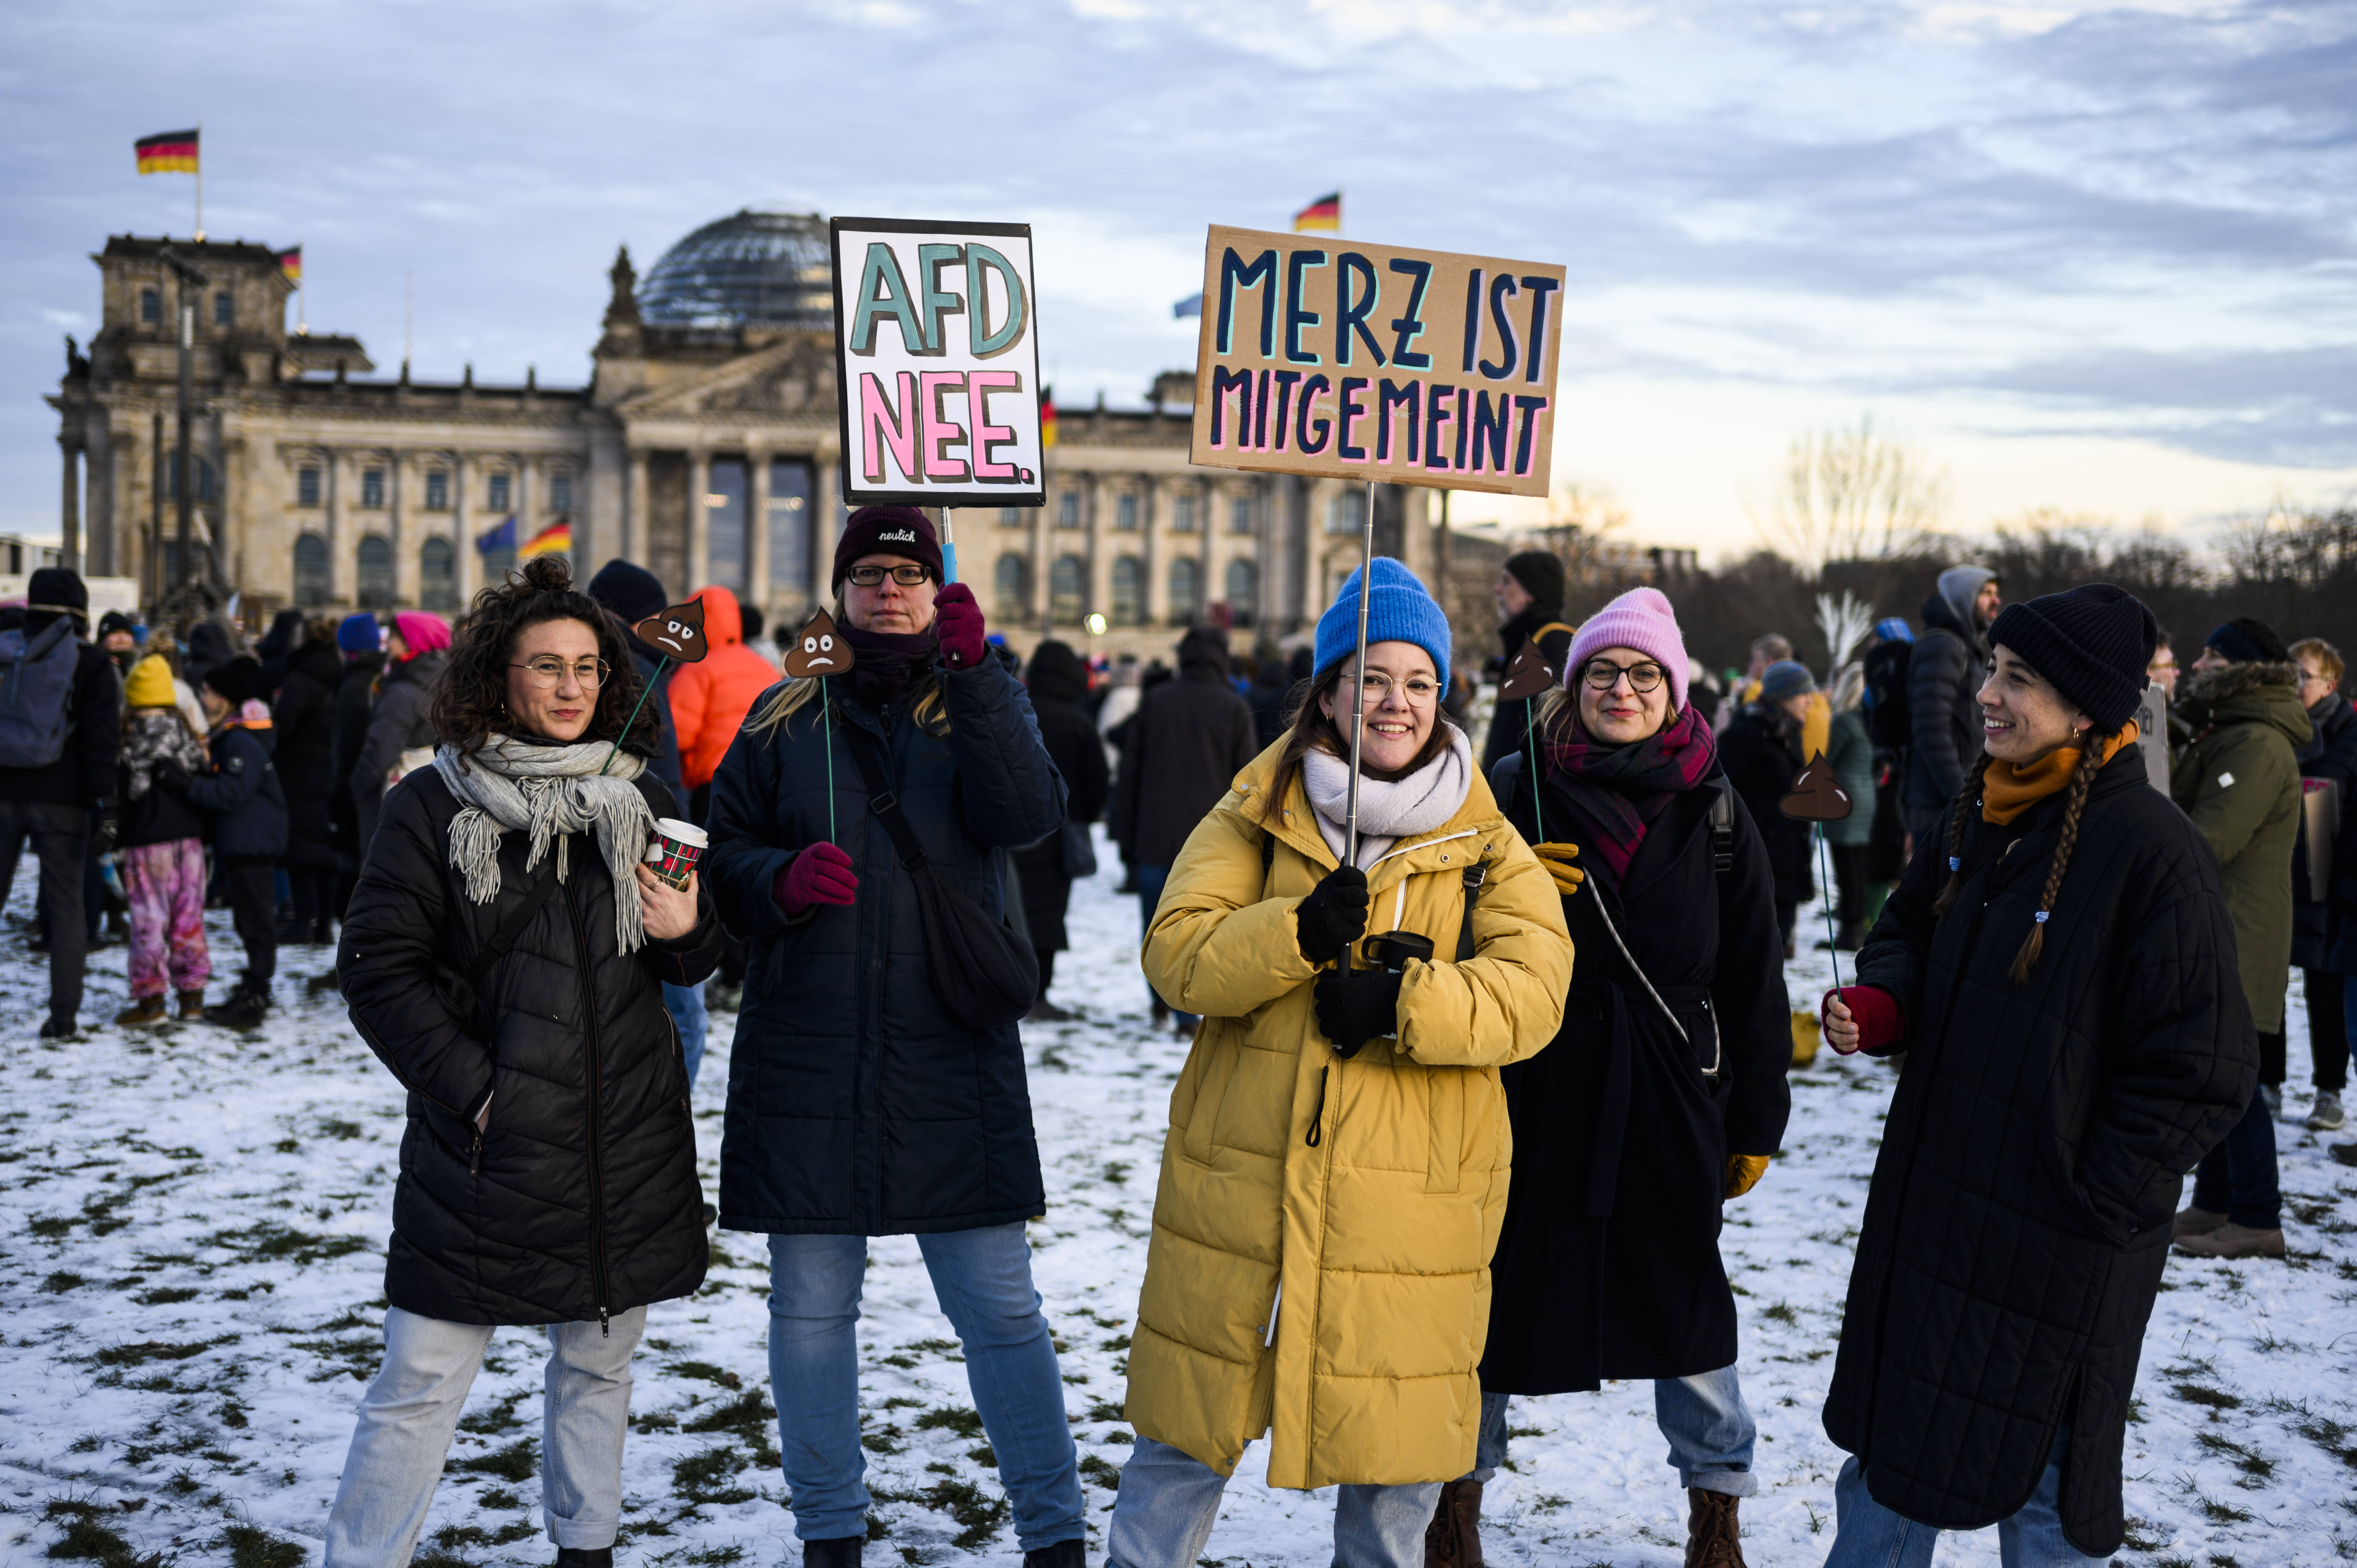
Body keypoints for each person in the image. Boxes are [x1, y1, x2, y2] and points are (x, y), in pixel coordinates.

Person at [1111, 556, 1572, 1568]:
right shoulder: (1258, 807)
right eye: (1369, 679)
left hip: (1410, 1212)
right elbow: (1176, 952)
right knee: (1176, 1460)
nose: (1395, 703)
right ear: (1327, 693)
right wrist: (1296, 935)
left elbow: (1536, 992)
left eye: (1417, 682)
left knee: (1390, 1492)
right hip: (1242, 1196)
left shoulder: (1486, 840)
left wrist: (1409, 1003)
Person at [1819, 583, 2254, 1566]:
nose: (1988, 694)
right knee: (1891, 1463)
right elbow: (1906, 933)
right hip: (1936, 1220)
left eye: (2019, 679)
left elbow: (2203, 1066)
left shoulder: (2154, 852)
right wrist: (1882, 1004)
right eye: (1991, 669)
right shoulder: (1980, 808)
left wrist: (2091, 1196)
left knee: (2046, 1491)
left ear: (2088, 706)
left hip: (2059, 1255)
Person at [701, 506, 1083, 1568]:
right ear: (841, 591)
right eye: (867, 573)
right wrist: (771, 879)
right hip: (810, 1051)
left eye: (908, 573)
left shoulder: (973, 702)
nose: (888, 589)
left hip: (947, 1050)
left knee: (1003, 1312)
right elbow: (722, 847)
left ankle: (1054, 1534)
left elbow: (1028, 816)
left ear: (938, 588)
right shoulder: (784, 712)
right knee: (812, 1313)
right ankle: (830, 1528)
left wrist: (982, 678)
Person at [326, 556, 721, 1567]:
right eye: (546, 666)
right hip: (484, 1150)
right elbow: (379, 972)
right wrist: (478, 1091)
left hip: (616, 1143)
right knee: (419, 1384)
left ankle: (586, 1550)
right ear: (495, 678)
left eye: (589, 667)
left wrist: (687, 928)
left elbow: (691, 957)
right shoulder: (433, 804)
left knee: (597, 1373)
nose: (571, 687)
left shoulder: (640, 795)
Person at [1470, 586, 1789, 1568]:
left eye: (1643, 671)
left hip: (1670, 1092)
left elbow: (1753, 974)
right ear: (1573, 686)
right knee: (1490, 1298)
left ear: (1674, 686)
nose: (1621, 687)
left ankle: (1716, 1507)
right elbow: (1445, 910)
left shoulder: (1718, 802)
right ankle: (1452, 1497)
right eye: (1602, 671)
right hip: (1537, 1084)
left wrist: (1756, 1119)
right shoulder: (1517, 782)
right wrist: (1497, 877)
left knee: (1686, 1304)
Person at [2170, 618, 2308, 1259]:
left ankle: (2257, 1215)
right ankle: (2215, 1200)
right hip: (2226, 923)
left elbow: (2210, 839)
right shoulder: (2229, 733)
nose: (2197, 664)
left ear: (2240, 670)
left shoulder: (2253, 743)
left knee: (2234, 1077)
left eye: (2210, 653)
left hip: (2237, 929)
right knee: (2218, 1067)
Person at [585, 559, 708, 1073]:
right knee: (684, 1016)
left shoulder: (626, 664)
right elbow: (651, 781)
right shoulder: (632, 671)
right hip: (647, 864)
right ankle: (669, 1110)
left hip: (630, 859)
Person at [1110, 625, 1259, 1032]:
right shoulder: (1232, 705)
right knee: (1204, 923)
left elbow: (1131, 772)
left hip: (1155, 831)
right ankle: (1186, 1008)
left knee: (1155, 924)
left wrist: (1125, 834)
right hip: (1213, 842)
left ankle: (1161, 1002)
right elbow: (1249, 780)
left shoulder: (1157, 700)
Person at [0, 568, 122, 1036]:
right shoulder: (91, 664)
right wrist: (106, 804)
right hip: (63, 802)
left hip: (4, 794)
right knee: (67, 904)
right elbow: (100, 742)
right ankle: (63, 1016)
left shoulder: (9, 650)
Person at [164, 656, 289, 1028]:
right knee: (249, 920)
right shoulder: (233, 736)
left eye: (209, 692)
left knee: (256, 921)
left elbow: (229, 794)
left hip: (250, 843)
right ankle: (254, 984)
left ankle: (256, 993)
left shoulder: (239, 741)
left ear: (225, 698)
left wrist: (182, 783)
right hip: (243, 841)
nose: (204, 697)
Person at [1012, 638, 1111, 1021]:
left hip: (1013, 828)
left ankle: (1012, 987)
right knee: (1050, 912)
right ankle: (1039, 993)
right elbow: (1097, 779)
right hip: (1061, 831)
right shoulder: (1078, 721)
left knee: (1012, 908)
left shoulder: (1017, 713)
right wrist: (1082, 815)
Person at [113, 652, 212, 1026]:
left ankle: (152, 1000)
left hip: (146, 841)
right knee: (189, 916)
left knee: (149, 919)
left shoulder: (128, 737)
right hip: (189, 839)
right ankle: (192, 997)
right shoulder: (185, 734)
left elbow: (119, 794)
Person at [2290, 637, 2355, 1132]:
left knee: (2325, 987)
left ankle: (2329, 1091)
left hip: (2333, 883)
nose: (2294, 683)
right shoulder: (2283, 730)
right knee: (2269, 980)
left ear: (2330, 684)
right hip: (2282, 872)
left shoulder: (2350, 733)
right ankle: (2268, 1084)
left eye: (2303, 675)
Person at [1719, 659, 1816, 959]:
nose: (1811, 703)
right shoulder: (1745, 735)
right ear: (1782, 697)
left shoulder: (1788, 735)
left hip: (1788, 862)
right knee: (1752, 958)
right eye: (1804, 695)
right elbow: (1718, 795)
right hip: (1756, 865)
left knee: (1774, 955)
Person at [1901, 564, 2000, 847]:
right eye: (1986, 593)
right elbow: (1931, 728)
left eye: (1996, 593)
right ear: (1963, 598)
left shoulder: (1962, 647)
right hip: (1939, 805)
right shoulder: (1943, 647)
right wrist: (1962, 795)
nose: (1996, 601)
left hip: (1950, 800)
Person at [670, 584, 782, 821]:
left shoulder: (697, 669)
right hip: (763, 784)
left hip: (713, 783)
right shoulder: (765, 668)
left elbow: (677, 734)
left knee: (708, 853)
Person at [351, 611, 451, 855]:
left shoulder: (403, 691)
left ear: (414, 641)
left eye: (395, 636)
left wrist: (356, 787)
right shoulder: (447, 683)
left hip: (392, 806)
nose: (388, 642)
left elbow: (380, 752)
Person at [273, 615, 345, 944]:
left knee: (301, 850)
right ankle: (324, 926)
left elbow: (283, 726)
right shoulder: (341, 672)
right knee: (327, 851)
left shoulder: (300, 677)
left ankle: (304, 920)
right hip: (330, 768)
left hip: (300, 771)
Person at [325, 613, 387, 967]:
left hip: (354, 795)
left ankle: (355, 959)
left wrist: (339, 798)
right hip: (366, 792)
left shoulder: (354, 687)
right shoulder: (377, 678)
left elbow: (347, 752)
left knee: (352, 875)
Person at [1481, 550, 1575, 770]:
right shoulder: (1532, 641)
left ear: (1532, 593)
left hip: (1524, 796)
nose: (1498, 589)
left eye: (1507, 582)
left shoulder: (1551, 646)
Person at [1823, 662, 1878, 950]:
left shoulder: (1845, 721)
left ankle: (1850, 932)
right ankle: (1855, 928)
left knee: (1846, 869)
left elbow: (1828, 762)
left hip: (1845, 801)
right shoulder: (1873, 720)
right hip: (1866, 798)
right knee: (1857, 867)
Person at [97, 611, 140, 675]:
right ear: (102, 639)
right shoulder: (92, 666)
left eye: (127, 633)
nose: (122, 639)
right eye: (115, 633)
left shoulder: (142, 667)